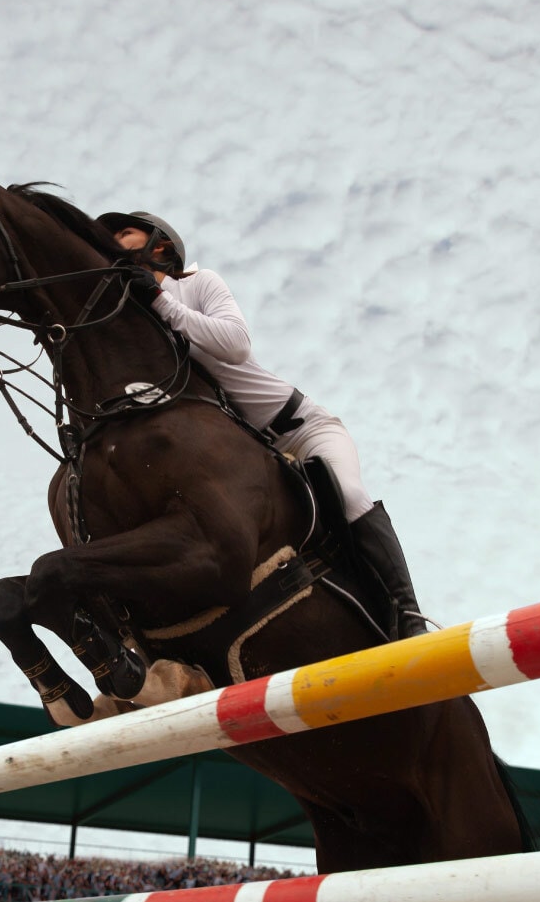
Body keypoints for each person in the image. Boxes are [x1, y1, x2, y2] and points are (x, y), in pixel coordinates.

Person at [96, 209, 430, 638]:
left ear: (160, 245)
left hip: (301, 429)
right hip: (249, 456)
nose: (113, 240)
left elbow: (235, 346)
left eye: (124, 232)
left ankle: (409, 614)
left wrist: (161, 301)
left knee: (347, 495)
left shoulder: (197, 283)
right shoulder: (137, 318)